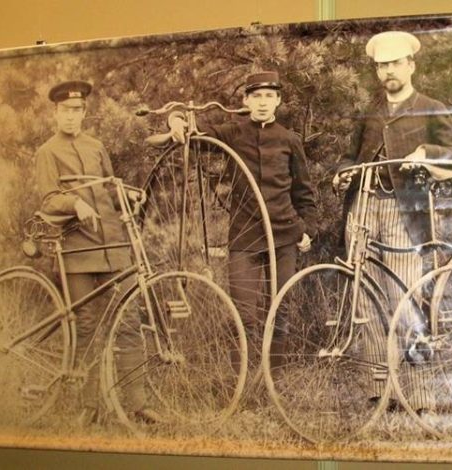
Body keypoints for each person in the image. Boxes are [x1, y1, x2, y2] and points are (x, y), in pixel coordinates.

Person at [332, 31, 452, 411]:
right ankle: (379, 393)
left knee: (404, 300)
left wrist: (425, 152)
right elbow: (349, 156)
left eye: (394, 64)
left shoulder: (431, 108)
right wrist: (342, 173)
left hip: (402, 212)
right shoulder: (369, 113)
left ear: (411, 65)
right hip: (362, 209)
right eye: (381, 66)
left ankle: (420, 396)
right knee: (366, 302)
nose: (388, 71)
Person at [168, 71, 318, 368]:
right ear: (246, 100)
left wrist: (307, 229)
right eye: (256, 96)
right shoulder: (233, 133)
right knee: (243, 313)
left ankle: (274, 378)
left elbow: (304, 191)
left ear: (278, 100)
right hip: (245, 236)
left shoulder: (289, 140)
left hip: (284, 235)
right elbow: (194, 130)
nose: (262, 102)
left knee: (280, 309)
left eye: (269, 96)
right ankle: (242, 379)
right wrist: (175, 119)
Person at [35, 80, 159, 425]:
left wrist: (128, 195)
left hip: (114, 247)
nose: (71, 116)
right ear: (55, 113)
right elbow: (48, 200)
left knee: (130, 321)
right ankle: (88, 406)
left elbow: (108, 190)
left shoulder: (96, 147)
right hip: (77, 252)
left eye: (77, 110)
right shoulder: (47, 152)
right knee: (87, 327)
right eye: (65, 110)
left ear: (84, 113)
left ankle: (138, 404)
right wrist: (74, 203)